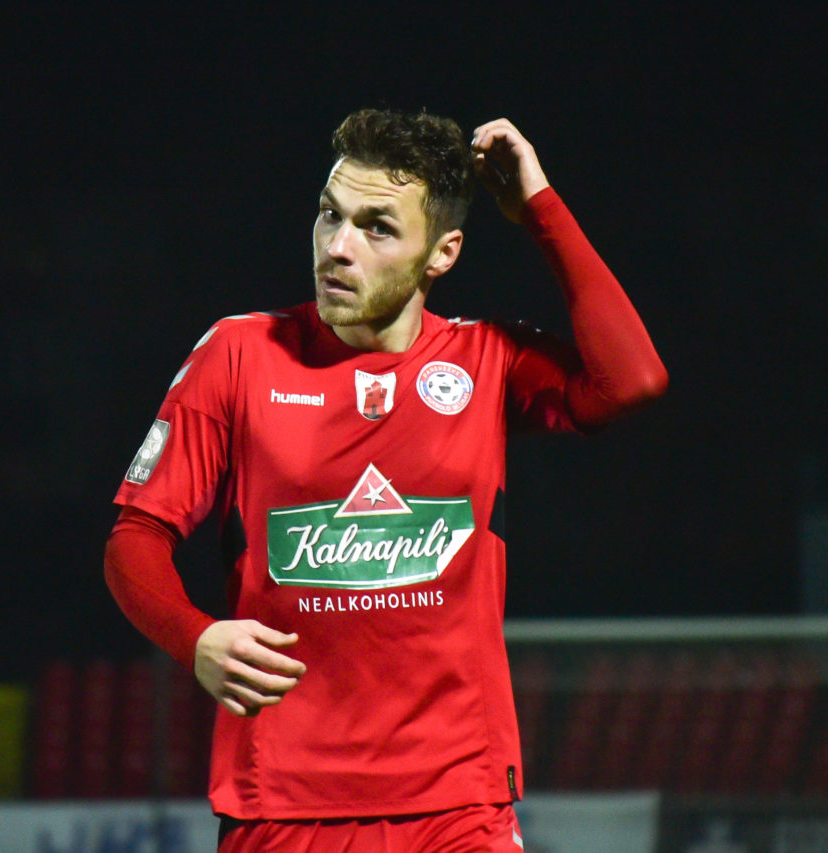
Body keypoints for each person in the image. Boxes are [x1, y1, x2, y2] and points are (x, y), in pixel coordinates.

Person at [105, 108, 667, 852]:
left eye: (377, 228)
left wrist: (540, 208)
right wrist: (196, 637)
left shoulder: (484, 360)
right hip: (284, 804)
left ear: (442, 253)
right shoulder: (239, 355)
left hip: (458, 802)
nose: (338, 247)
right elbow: (136, 537)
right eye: (329, 215)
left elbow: (632, 380)